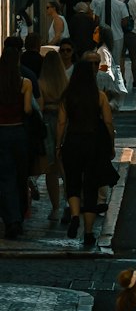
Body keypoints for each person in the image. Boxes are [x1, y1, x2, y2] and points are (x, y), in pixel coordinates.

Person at [57, 57, 115, 250]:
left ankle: (75, 216)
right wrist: (111, 145)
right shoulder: (99, 96)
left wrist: (58, 145)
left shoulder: (67, 97)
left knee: (73, 183)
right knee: (91, 187)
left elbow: (62, 123)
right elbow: (108, 122)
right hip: (94, 144)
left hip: (72, 142)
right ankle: (88, 233)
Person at [0, 39, 32, 239]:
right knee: (21, 176)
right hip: (19, 132)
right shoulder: (24, 82)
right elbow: (28, 109)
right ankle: (18, 216)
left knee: (5, 177)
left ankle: (12, 219)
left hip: (1, 132)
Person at [38, 49, 69, 222]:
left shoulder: (41, 82)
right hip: (64, 121)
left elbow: (40, 107)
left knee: (51, 167)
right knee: (65, 165)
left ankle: (55, 207)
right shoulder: (65, 81)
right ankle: (68, 203)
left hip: (48, 123)